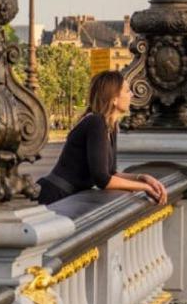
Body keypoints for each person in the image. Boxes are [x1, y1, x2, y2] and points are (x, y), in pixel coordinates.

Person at [37, 70, 167, 207]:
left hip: (65, 197)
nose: (132, 95)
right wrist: (144, 187)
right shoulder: (96, 123)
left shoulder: (109, 126)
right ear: (114, 99)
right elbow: (102, 179)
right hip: (56, 196)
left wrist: (143, 178)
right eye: (127, 91)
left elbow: (110, 173)